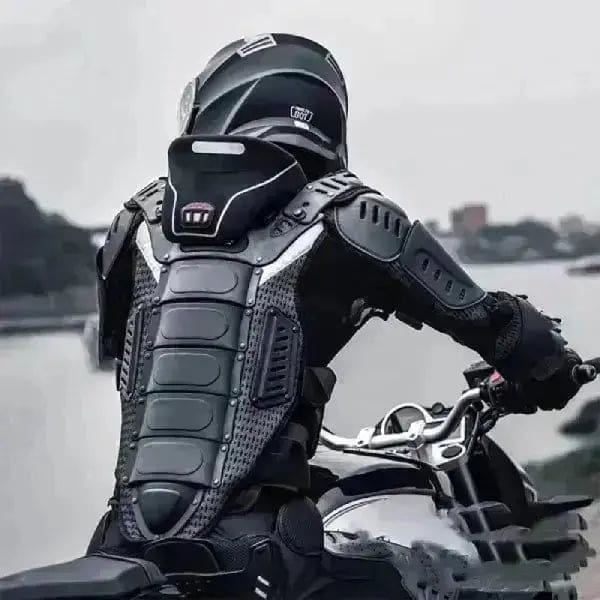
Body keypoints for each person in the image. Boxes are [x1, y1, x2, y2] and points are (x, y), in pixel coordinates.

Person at [85, 33, 582, 598]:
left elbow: (118, 356)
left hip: (119, 543)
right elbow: (497, 325)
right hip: (261, 543)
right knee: (450, 574)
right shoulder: (348, 216)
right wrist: (551, 371)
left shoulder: (134, 224)